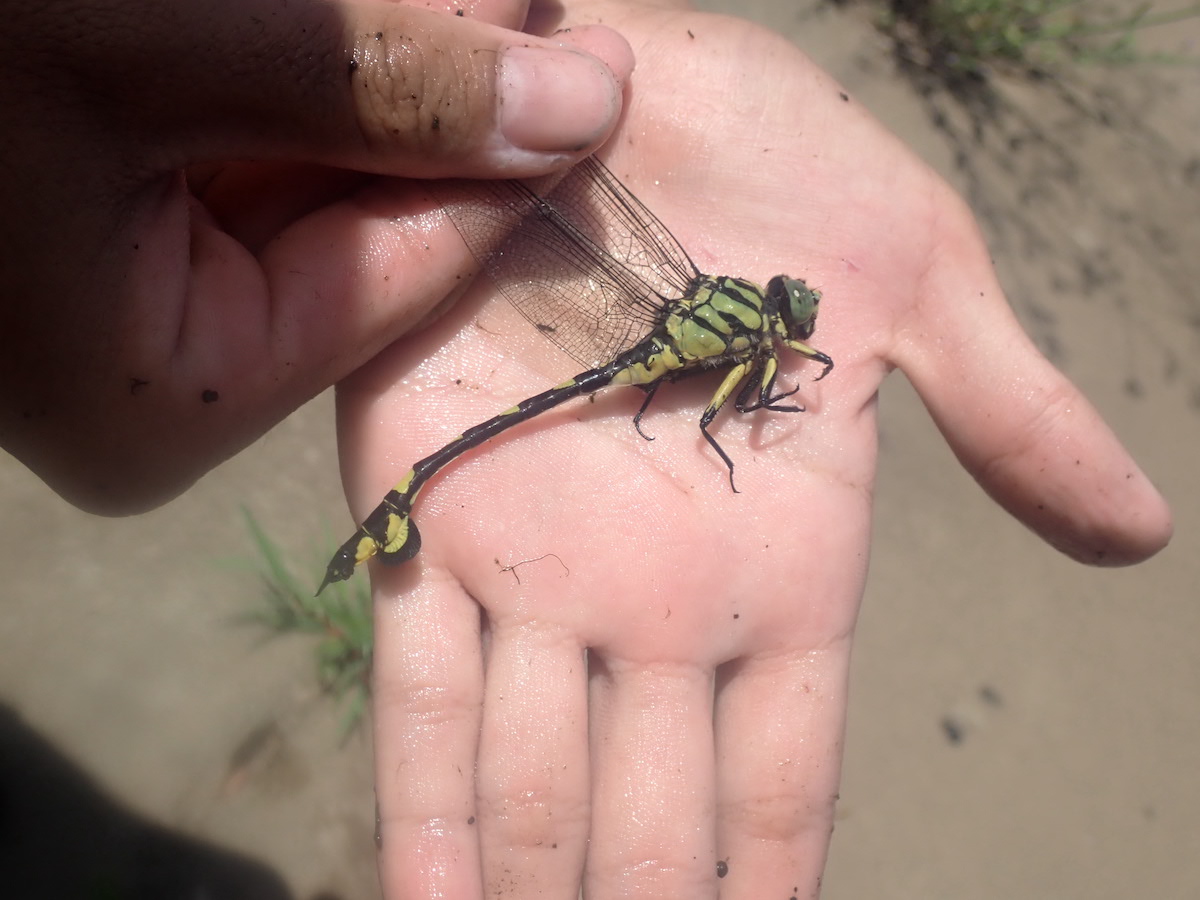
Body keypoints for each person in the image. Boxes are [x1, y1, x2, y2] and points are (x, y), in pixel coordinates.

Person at [1, 1, 1172, 899]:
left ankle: (399, 505)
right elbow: (722, 413)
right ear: (772, 319)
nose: (797, 322)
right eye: (792, 314)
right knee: (628, 424)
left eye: (792, 314)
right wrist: (730, 431)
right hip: (623, 347)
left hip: (633, 333)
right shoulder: (756, 350)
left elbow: (750, 375)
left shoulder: (749, 326)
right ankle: (405, 500)